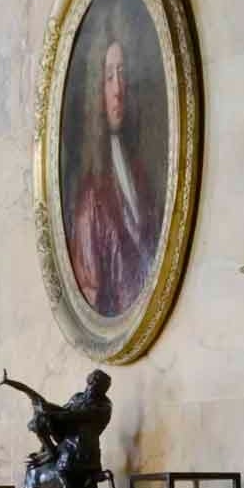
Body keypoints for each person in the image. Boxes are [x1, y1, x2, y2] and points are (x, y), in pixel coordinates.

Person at [67, 34, 157, 317]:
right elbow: (91, 296)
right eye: (108, 77)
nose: (117, 88)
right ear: (98, 90)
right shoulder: (90, 199)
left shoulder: (140, 175)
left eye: (122, 74)